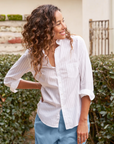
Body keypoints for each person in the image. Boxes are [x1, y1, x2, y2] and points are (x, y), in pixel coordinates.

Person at [4, 4, 95, 144]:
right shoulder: (33, 54)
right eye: (58, 23)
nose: (64, 26)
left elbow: (87, 87)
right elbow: (10, 79)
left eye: (63, 20)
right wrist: (39, 86)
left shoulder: (77, 45)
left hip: (74, 122)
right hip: (45, 122)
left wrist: (83, 121)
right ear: (44, 29)